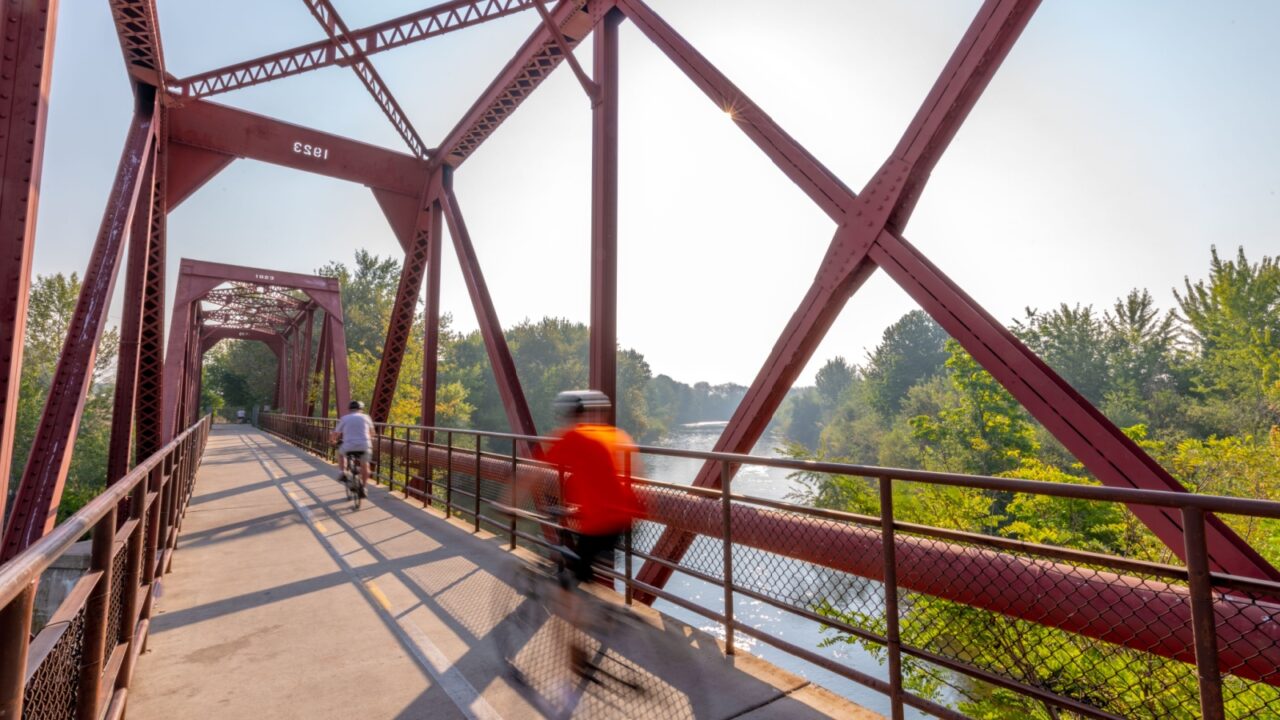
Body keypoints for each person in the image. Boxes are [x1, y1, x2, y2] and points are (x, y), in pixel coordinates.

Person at [330, 400, 373, 496]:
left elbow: (335, 433)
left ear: (349, 410)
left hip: (349, 445)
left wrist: (332, 441)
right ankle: (364, 488)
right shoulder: (366, 417)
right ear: (361, 409)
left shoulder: (345, 418)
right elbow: (372, 433)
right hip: (364, 445)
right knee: (365, 465)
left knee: (341, 453)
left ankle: (342, 472)